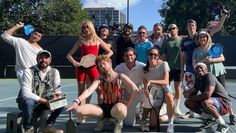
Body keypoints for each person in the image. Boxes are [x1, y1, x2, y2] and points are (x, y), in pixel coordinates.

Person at [66, 55, 139, 133]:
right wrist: (76, 101)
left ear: (110, 63)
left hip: (116, 108)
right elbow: (89, 90)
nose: (102, 66)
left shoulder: (120, 76)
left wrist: (128, 106)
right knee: (78, 110)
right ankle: (101, 119)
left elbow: (135, 89)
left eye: (104, 63)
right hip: (102, 108)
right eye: (100, 65)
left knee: (121, 109)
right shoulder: (99, 78)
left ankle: (118, 123)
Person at [193, 30, 235, 125]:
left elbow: (222, 58)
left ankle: (231, 114)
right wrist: (204, 60)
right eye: (200, 37)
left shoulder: (213, 46)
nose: (202, 38)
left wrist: (212, 60)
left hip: (218, 72)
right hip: (207, 76)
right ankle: (212, 117)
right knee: (209, 96)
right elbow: (195, 64)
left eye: (204, 37)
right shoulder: (196, 51)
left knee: (224, 95)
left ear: (207, 38)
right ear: (198, 39)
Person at [66, 20, 113, 105]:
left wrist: (101, 60)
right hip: (81, 68)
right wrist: (75, 62)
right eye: (83, 27)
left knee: (100, 92)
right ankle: (81, 116)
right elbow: (69, 55)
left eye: (87, 26)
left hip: (94, 68)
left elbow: (110, 52)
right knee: (81, 92)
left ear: (91, 27)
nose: (85, 29)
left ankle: (101, 113)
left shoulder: (97, 39)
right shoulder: (81, 40)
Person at [16, 50, 64, 133]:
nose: (43, 60)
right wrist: (46, 101)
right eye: (41, 58)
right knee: (28, 102)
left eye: (46, 58)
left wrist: (56, 96)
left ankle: (48, 126)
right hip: (27, 102)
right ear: (36, 59)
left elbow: (57, 89)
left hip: (44, 102)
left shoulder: (55, 72)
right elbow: (25, 93)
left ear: (50, 60)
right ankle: (28, 128)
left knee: (61, 100)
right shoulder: (28, 71)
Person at [184, 62, 230, 133]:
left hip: (224, 104)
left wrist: (192, 97)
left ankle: (223, 124)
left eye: (201, 67)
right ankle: (210, 118)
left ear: (206, 69)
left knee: (205, 102)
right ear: (195, 71)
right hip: (212, 102)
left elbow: (207, 94)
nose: (199, 69)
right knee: (188, 102)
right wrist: (187, 93)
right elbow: (194, 93)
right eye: (197, 68)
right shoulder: (197, 79)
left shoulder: (209, 76)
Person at [141, 47, 175, 132]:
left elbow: (166, 81)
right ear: (148, 55)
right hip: (156, 96)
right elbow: (146, 87)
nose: (153, 56)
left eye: (155, 54)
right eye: (151, 54)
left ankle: (171, 123)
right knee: (153, 125)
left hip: (165, 91)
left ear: (158, 56)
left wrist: (151, 81)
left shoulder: (164, 64)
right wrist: (147, 92)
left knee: (169, 97)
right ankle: (166, 115)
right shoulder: (144, 70)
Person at [1, 22, 43, 87]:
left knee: (31, 93)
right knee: (28, 92)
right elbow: (4, 36)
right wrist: (17, 26)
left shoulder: (40, 50)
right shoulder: (20, 42)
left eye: (38, 36)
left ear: (40, 38)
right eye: (35, 34)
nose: (36, 36)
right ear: (31, 33)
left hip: (36, 73)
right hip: (22, 73)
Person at [114, 47, 146, 127]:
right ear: (123, 57)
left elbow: (151, 74)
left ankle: (146, 115)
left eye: (131, 55)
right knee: (129, 124)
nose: (129, 57)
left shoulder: (143, 66)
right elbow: (113, 82)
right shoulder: (118, 68)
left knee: (152, 97)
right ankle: (132, 112)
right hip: (126, 95)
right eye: (126, 56)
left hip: (140, 92)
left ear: (135, 56)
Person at [160, 24, 183, 116]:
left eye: (174, 28)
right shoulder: (166, 42)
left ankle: (176, 107)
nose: (172, 30)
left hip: (178, 68)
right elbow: (163, 56)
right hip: (168, 69)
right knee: (166, 88)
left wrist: (182, 69)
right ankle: (165, 106)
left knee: (177, 87)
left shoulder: (182, 40)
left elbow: (184, 55)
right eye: (170, 29)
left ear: (177, 29)